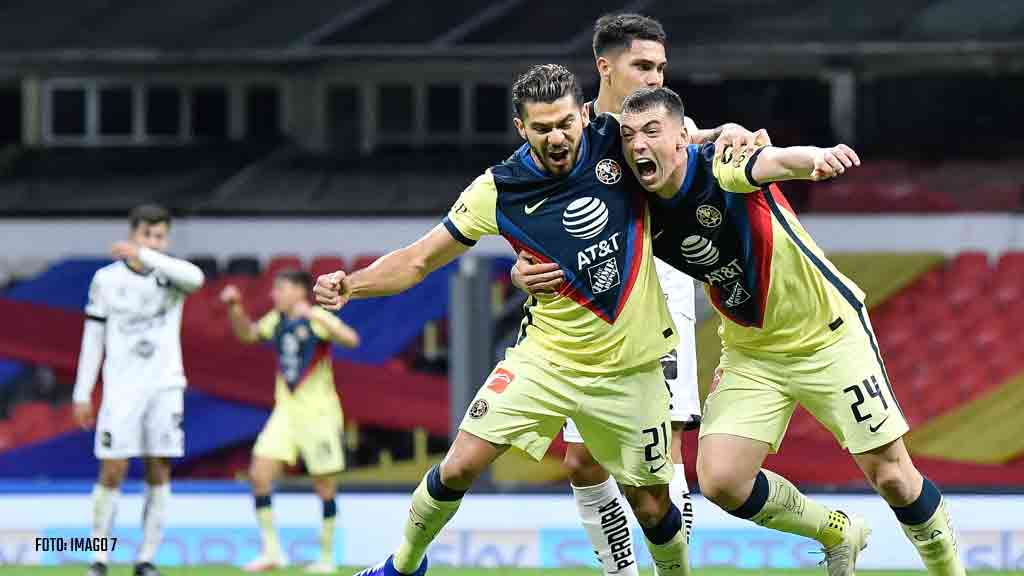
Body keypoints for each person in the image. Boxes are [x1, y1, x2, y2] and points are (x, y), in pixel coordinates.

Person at [515, 86, 966, 576]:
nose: (639, 144)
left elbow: (769, 162)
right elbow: (565, 230)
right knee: (722, 481)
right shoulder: (634, 207)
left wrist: (813, 157)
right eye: (629, 137)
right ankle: (838, 530)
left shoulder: (719, 167)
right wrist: (522, 273)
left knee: (894, 477)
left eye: (652, 131)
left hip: (828, 335)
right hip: (753, 352)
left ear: (681, 137)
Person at [315, 64, 699, 576]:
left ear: (584, 114)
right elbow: (419, 260)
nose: (557, 137)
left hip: (631, 366)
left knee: (652, 506)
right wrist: (352, 285)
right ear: (522, 128)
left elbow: (682, 140)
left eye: (565, 123)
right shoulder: (498, 190)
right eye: (542, 128)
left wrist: (735, 137)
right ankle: (401, 567)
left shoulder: (617, 144)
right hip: (547, 359)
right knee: (459, 465)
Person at [511, 15, 767, 572]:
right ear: (605, 66)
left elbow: (702, 140)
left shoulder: (664, 124)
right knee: (581, 461)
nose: (654, 77)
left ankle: (671, 569)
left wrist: (730, 133)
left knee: (663, 455)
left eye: (660, 67)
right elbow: (530, 216)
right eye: (642, 66)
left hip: (658, 301)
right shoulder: (568, 132)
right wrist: (518, 271)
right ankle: (620, 570)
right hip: (586, 311)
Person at [72, 204, 206, 576]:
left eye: (160, 236)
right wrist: (82, 392)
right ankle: (98, 557)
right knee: (112, 469)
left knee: (159, 468)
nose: (153, 242)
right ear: (133, 233)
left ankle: (145, 559)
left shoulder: (173, 276)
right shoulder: (106, 279)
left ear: (166, 239)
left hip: (165, 386)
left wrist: (147, 256)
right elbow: (93, 337)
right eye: (146, 235)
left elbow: (197, 279)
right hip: (122, 390)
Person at [220, 270, 360, 574]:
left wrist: (315, 315)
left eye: (280, 289)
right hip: (285, 412)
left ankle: (326, 558)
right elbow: (248, 335)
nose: (274, 295)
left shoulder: (315, 318)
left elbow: (351, 340)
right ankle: (272, 553)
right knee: (259, 474)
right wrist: (235, 308)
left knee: (324, 485)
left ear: (299, 291)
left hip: (318, 414)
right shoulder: (277, 320)